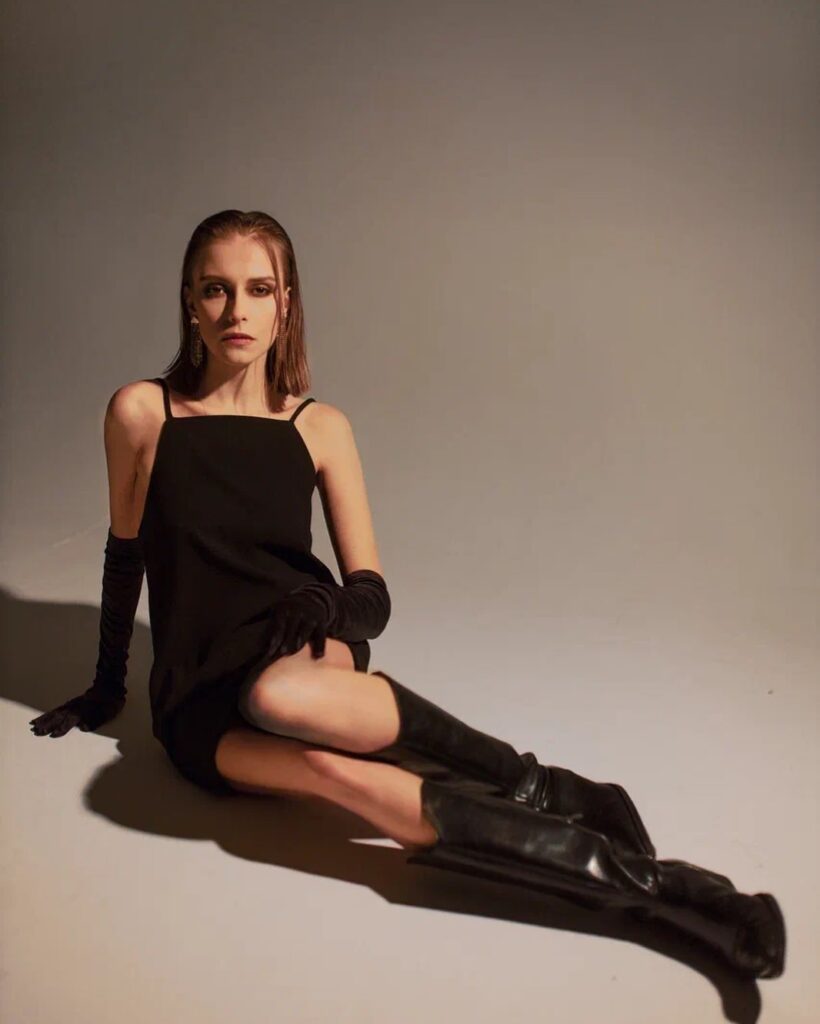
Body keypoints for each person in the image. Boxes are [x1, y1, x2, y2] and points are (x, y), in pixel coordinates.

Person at [30, 209, 785, 979]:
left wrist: (323, 608)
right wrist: (107, 685)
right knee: (338, 775)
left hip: (299, 644)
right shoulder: (142, 413)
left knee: (281, 696)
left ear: (286, 303)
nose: (236, 311)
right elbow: (125, 556)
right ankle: (636, 866)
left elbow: (371, 599)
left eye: (258, 289)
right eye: (216, 290)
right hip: (196, 688)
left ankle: (655, 874)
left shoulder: (320, 426)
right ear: (190, 302)